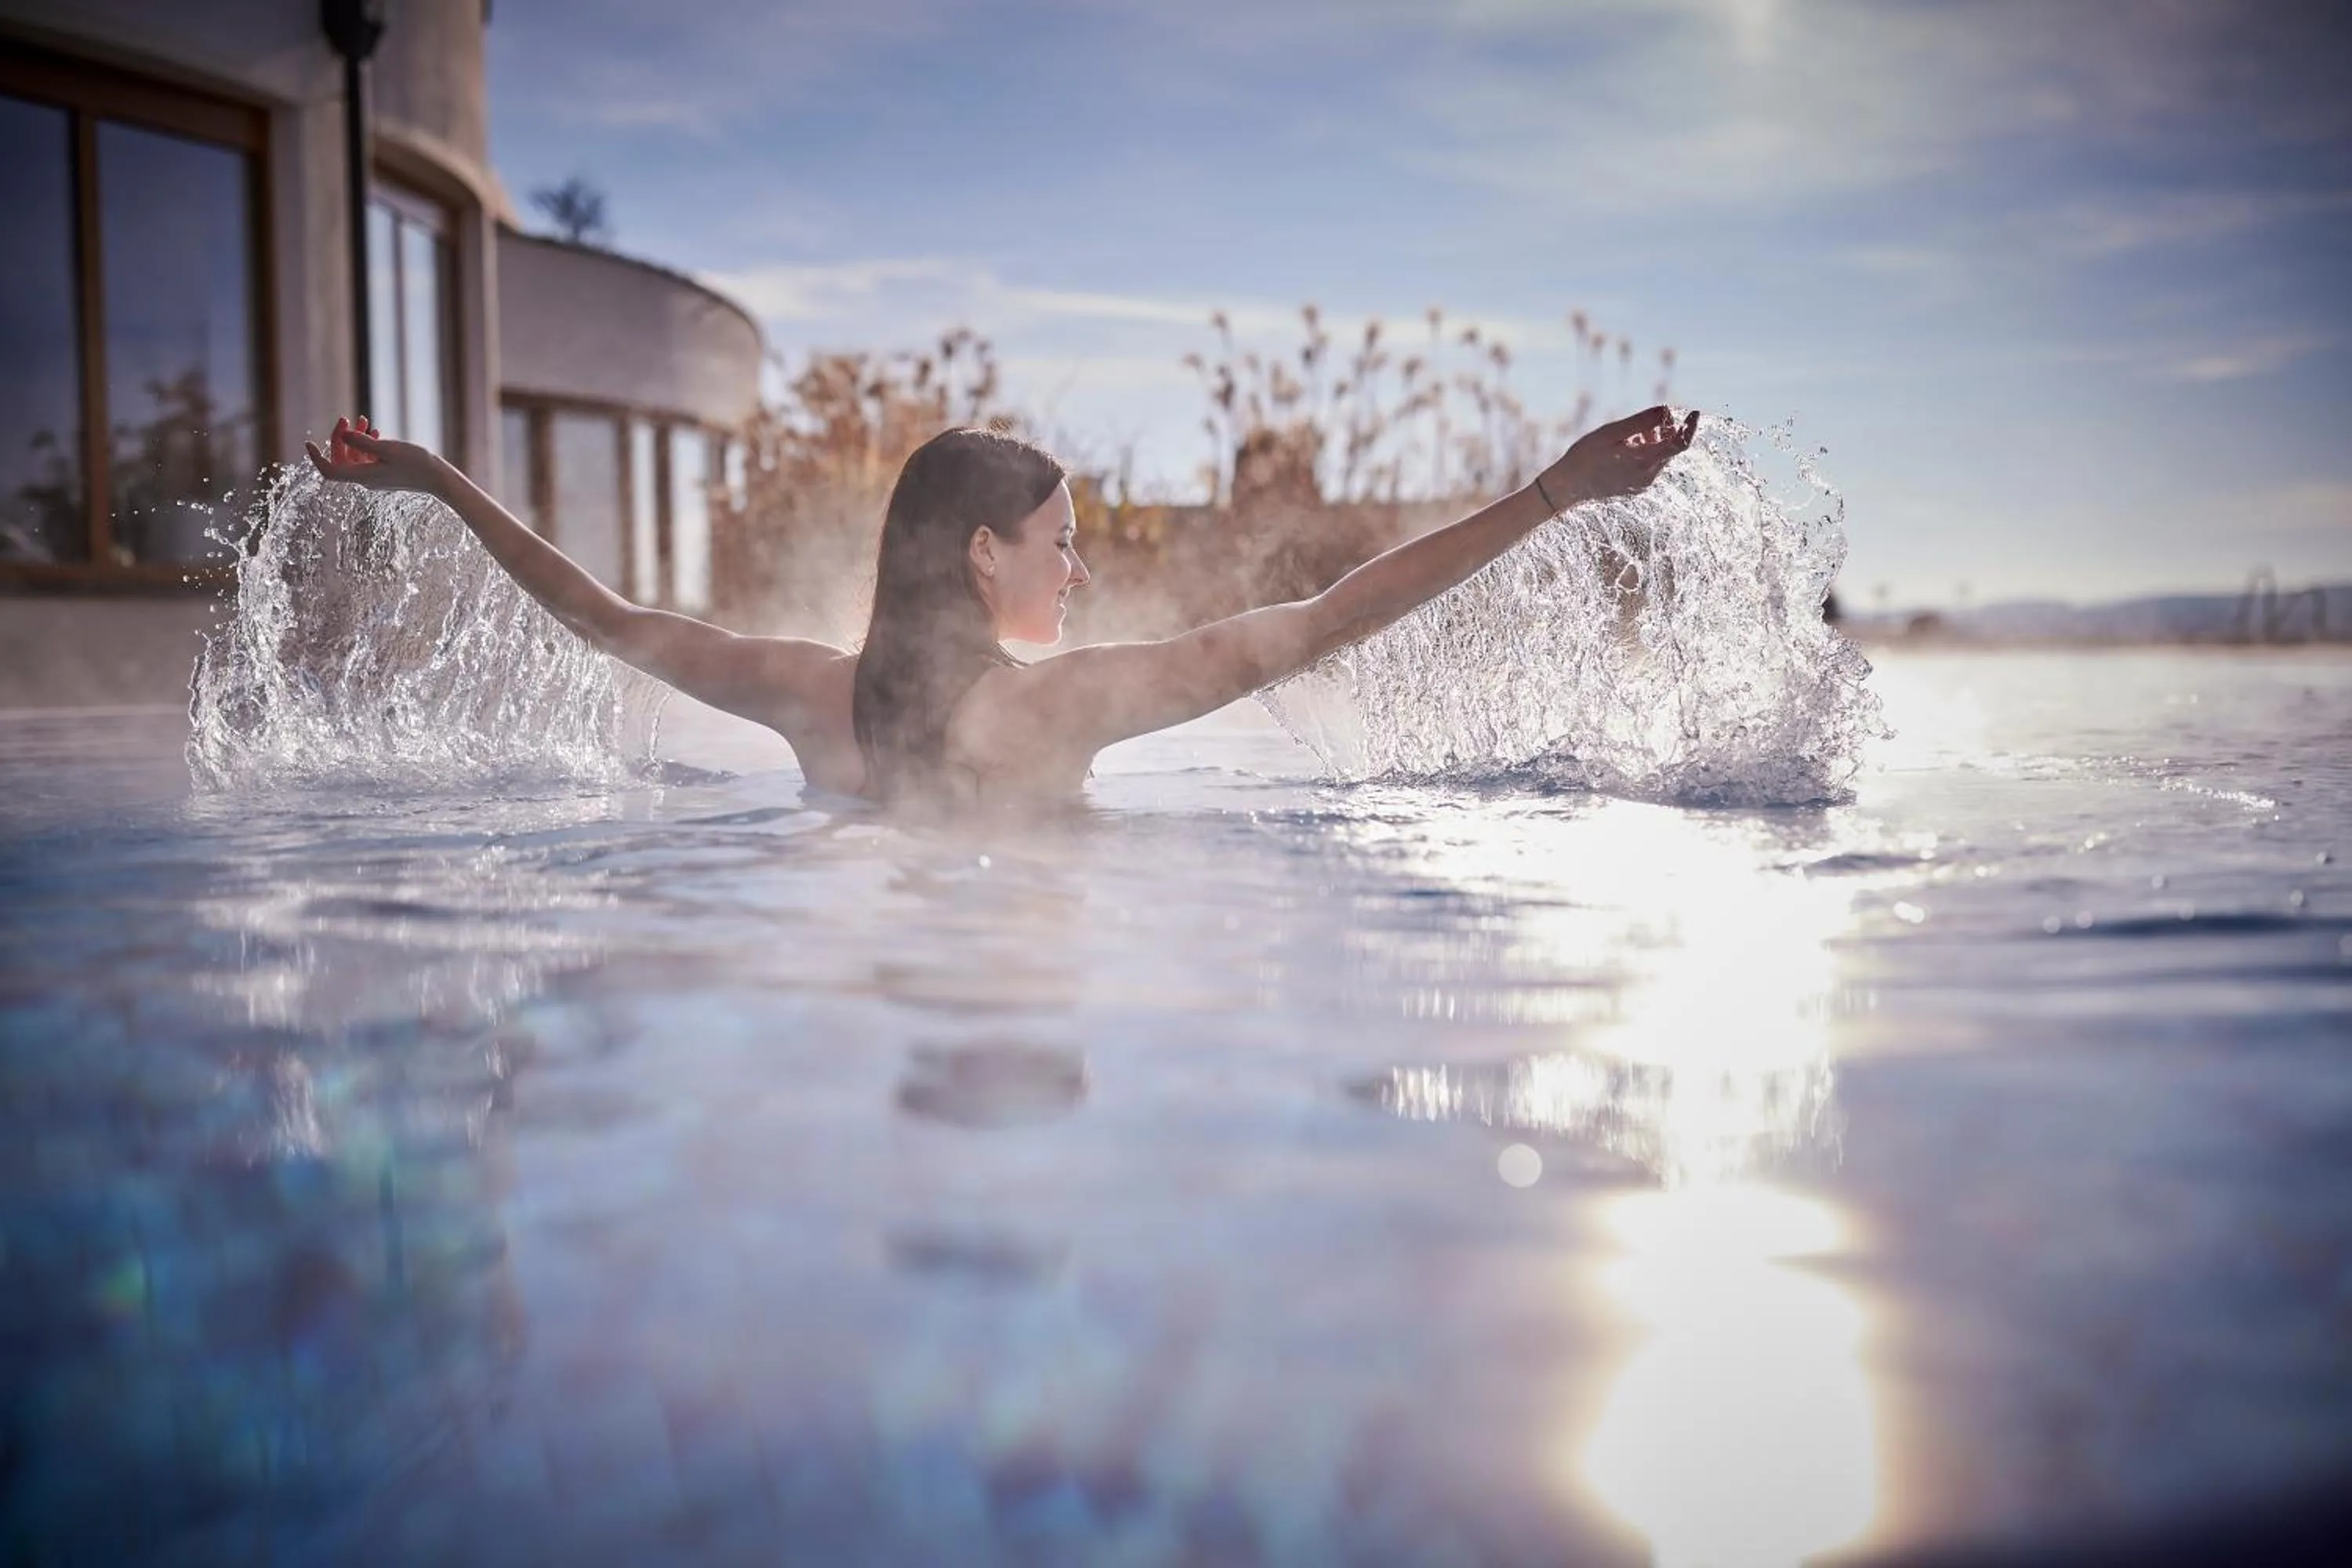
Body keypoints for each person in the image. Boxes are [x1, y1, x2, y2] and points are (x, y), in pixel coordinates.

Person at [306, 405, 1698, 807]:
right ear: (984, 554)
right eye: (1060, 542)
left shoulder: (809, 696)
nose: (1074, 571)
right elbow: (1325, 622)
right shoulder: (1050, 714)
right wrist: (1550, 498)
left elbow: (604, 619)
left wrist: (440, 485)